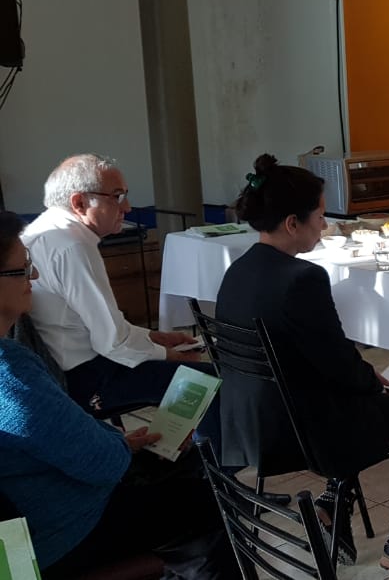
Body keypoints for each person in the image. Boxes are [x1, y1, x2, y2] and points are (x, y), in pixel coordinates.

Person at [215, 154, 389, 579]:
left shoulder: (237, 269)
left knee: (356, 395)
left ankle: (334, 505)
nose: (324, 225)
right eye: (320, 216)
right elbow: (338, 365)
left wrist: (360, 378)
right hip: (301, 431)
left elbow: (318, 354)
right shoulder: (302, 278)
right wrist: (371, 381)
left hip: (250, 420)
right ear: (293, 223)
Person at [0, 210, 235, 578]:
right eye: (22, 270)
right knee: (211, 503)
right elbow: (103, 463)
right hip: (50, 535)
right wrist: (117, 446)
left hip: (34, 515)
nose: (34, 277)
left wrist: (116, 442)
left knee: (172, 463)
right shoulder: (10, 372)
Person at [21, 154, 217, 425]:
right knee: (210, 382)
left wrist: (154, 336)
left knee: (190, 374)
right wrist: (169, 356)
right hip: (86, 377)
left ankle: (172, 443)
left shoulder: (41, 230)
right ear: (79, 203)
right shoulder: (72, 245)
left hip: (62, 369)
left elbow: (95, 327)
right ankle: (193, 452)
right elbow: (113, 342)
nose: (127, 207)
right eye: (117, 196)